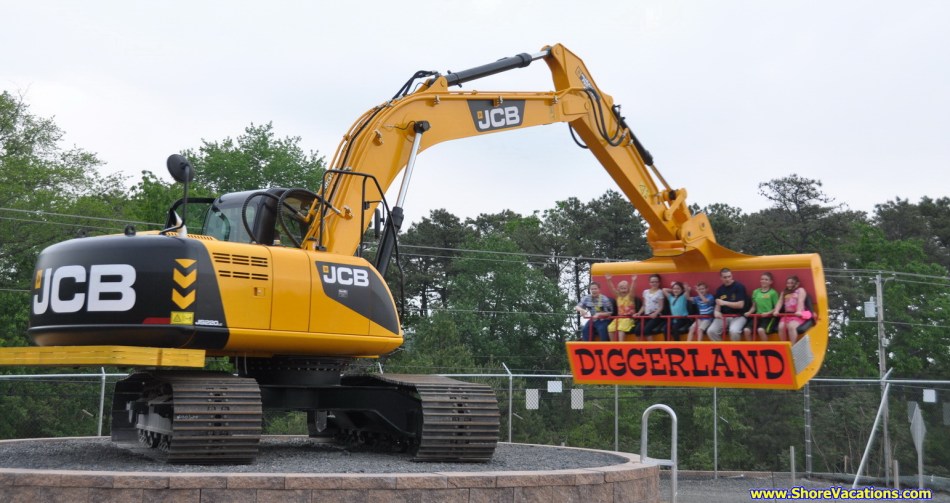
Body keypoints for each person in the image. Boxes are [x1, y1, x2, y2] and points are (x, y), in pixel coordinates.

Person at [707, 268, 748, 342]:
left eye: (729, 276)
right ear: (721, 278)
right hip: (724, 316)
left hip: (738, 316)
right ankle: (723, 349)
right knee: (711, 331)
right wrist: (716, 311)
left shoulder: (739, 286)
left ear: (732, 276)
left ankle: (735, 351)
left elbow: (740, 305)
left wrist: (724, 303)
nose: (727, 279)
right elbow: (717, 303)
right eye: (725, 277)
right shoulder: (719, 290)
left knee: (733, 331)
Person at [742, 272, 780, 341]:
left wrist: (768, 313)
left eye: (766, 279)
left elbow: (776, 308)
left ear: (770, 282)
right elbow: (754, 307)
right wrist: (749, 312)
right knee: (746, 330)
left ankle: (766, 350)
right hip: (757, 316)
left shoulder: (773, 293)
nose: (764, 281)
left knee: (760, 330)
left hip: (768, 317)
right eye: (762, 279)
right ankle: (751, 349)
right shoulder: (756, 292)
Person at [774, 275, 810, 344]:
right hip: (787, 315)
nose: (789, 285)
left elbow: (800, 300)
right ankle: (784, 345)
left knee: (791, 326)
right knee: (781, 327)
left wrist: (799, 310)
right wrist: (776, 310)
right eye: (788, 283)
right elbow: (780, 302)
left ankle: (793, 346)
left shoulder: (800, 290)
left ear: (797, 283)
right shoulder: (784, 291)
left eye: (791, 283)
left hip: (798, 315)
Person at [604, 274, 638, 341]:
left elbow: (633, 289)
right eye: (621, 286)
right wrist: (609, 280)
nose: (623, 286)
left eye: (625, 286)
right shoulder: (618, 297)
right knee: (610, 328)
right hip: (619, 318)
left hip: (628, 318)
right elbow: (612, 289)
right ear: (618, 289)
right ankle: (613, 345)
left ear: (628, 288)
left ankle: (621, 345)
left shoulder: (630, 296)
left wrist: (634, 281)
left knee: (621, 328)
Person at [635, 274, 665, 339]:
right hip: (646, 315)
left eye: (656, 282)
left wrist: (655, 313)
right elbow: (644, 306)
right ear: (649, 283)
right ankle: (639, 348)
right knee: (637, 330)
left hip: (656, 316)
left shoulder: (660, 292)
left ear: (659, 283)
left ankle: (651, 348)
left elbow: (661, 306)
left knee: (646, 330)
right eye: (652, 282)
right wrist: (639, 313)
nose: (654, 283)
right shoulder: (645, 292)